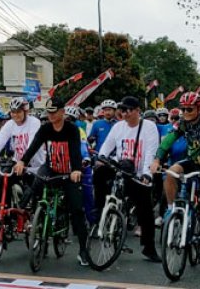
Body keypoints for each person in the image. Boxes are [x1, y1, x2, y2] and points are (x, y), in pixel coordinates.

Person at [150, 92, 200, 273]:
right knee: (170, 173)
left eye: (189, 109)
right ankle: (171, 209)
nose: (185, 112)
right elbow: (169, 139)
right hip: (192, 161)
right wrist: (156, 159)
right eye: (183, 108)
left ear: (199, 108)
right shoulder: (183, 122)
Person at [16, 96, 90, 266]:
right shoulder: (45, 129)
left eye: (54, 112)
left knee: (77, 210)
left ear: (62, 112)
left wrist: (77, 170)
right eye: (48, 112)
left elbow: (76, 152)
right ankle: (33, 216)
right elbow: (33, 146)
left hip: (69, 171)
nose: (50, 115)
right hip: (50, 167)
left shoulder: (72, 130)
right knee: (36, 182)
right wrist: (22, 161)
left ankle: (83, 250)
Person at [94, 96, 161, 262]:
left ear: (138, 110)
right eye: (122, 110)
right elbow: (106, 148)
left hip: (138, 173)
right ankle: (102, 213)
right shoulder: (118, 127)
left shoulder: (149, 127)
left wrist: (146, 173)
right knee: (99, 174)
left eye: (128, 110)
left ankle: (149, 248)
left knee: (145, 210)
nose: (124, 113)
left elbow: (151, 153)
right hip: (121, 168)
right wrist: (101, 159)